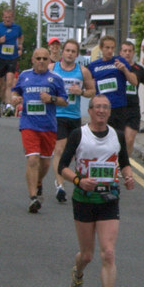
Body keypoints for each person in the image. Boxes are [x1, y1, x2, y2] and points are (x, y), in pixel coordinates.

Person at [58, 95, 135, 287]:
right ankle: (78, 273)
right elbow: (62, 167)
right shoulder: (78, 135)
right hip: (84, 198)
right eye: (97, 107)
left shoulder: (117, 136)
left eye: (105, 107)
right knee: (87, 255)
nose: (101, 111)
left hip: (109, 197)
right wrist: (79, 180)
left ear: (109, 112)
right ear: (90, 111)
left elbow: (124, 163)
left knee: (108, 253)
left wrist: (129, 176)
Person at [10, 47, 68, 213]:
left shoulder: (55, 79)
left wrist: (51, 99)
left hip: (48, 126)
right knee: (33, 159)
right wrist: (15, 98)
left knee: (45, 163)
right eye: (38, 58)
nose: (41, 61)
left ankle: (39, 182)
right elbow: (15, 91)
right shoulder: (24, 76)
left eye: (44, 58)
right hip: (29, 125)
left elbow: (65, 101)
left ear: (49, 60)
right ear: (33, 60)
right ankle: (33, 197)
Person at [51, 39, 96, 204]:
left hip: (74, 116)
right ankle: (60, 186)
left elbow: (92, 91)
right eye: (67, 50)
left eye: (73, 51)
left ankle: (80, 184)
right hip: (57, 114)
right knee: (59, 149)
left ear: (77, 55)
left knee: (77, 153)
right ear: (62, 52)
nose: (69, 54)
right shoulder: (53, 69)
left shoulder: (82, 71)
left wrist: (81, 91)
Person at [86, 35, 138, 138]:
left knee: (118, 138)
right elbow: (89, 87)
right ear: (101, 48)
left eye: (112, 48)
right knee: (100, 136)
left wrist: (124, 70)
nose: (110, 51)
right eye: (107, 48)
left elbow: (134, 82)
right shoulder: (93, 66)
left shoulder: (120, 61)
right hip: (100, 108)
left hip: (118, 107)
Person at [0, 7, 23, 116]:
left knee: (10, 82)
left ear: (12, 18)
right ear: (3, 17)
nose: (7, 19)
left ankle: (8, 105)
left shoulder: (17, 28)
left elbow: (21, 37)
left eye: (10, 17)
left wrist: (20, 46)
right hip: (0, 57)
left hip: (12, 57)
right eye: (6, 17)